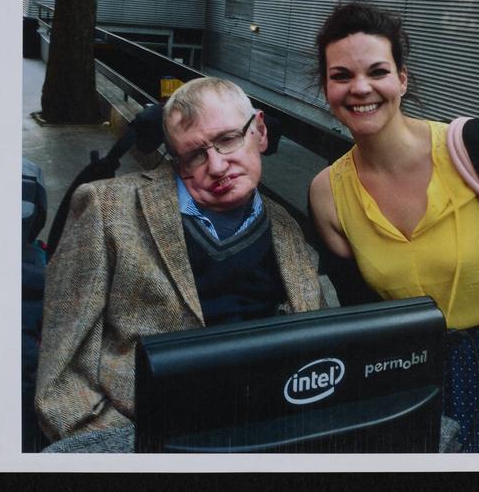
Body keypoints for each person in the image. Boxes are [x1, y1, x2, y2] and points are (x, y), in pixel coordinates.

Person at [35, 77, 328, 445]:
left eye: (227, 139)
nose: (217, 166)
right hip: (138, 431)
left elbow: (318, 344)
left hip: (269, 426)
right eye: (194, 155)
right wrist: (125, 445)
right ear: (176, 159)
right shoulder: (106, 208)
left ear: (261, 131)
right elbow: (62, 365)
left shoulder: (287, 230)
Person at [309, 1, 479, 452]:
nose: (360, 88)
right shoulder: (326, 194)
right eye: (341, 76)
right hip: (410, 375)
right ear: (325, 87)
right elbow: (360, 312)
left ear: (402, 79)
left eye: (377, 71)